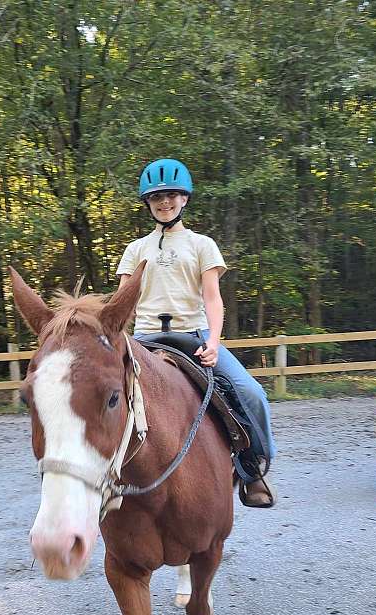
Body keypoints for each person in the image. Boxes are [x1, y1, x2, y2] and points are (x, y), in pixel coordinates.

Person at [116, 157, 277, 508]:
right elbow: (122, 302)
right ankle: (100, 479)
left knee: (251, 393)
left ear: (184, 199)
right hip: (144, 337)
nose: (164, 202)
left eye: (171, 195)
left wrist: (214, 343)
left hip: (193, 333)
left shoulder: (202, 245)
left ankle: (254, 471)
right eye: (157, 197)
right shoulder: (135, 249)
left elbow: (213, 298)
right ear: (147, 203)